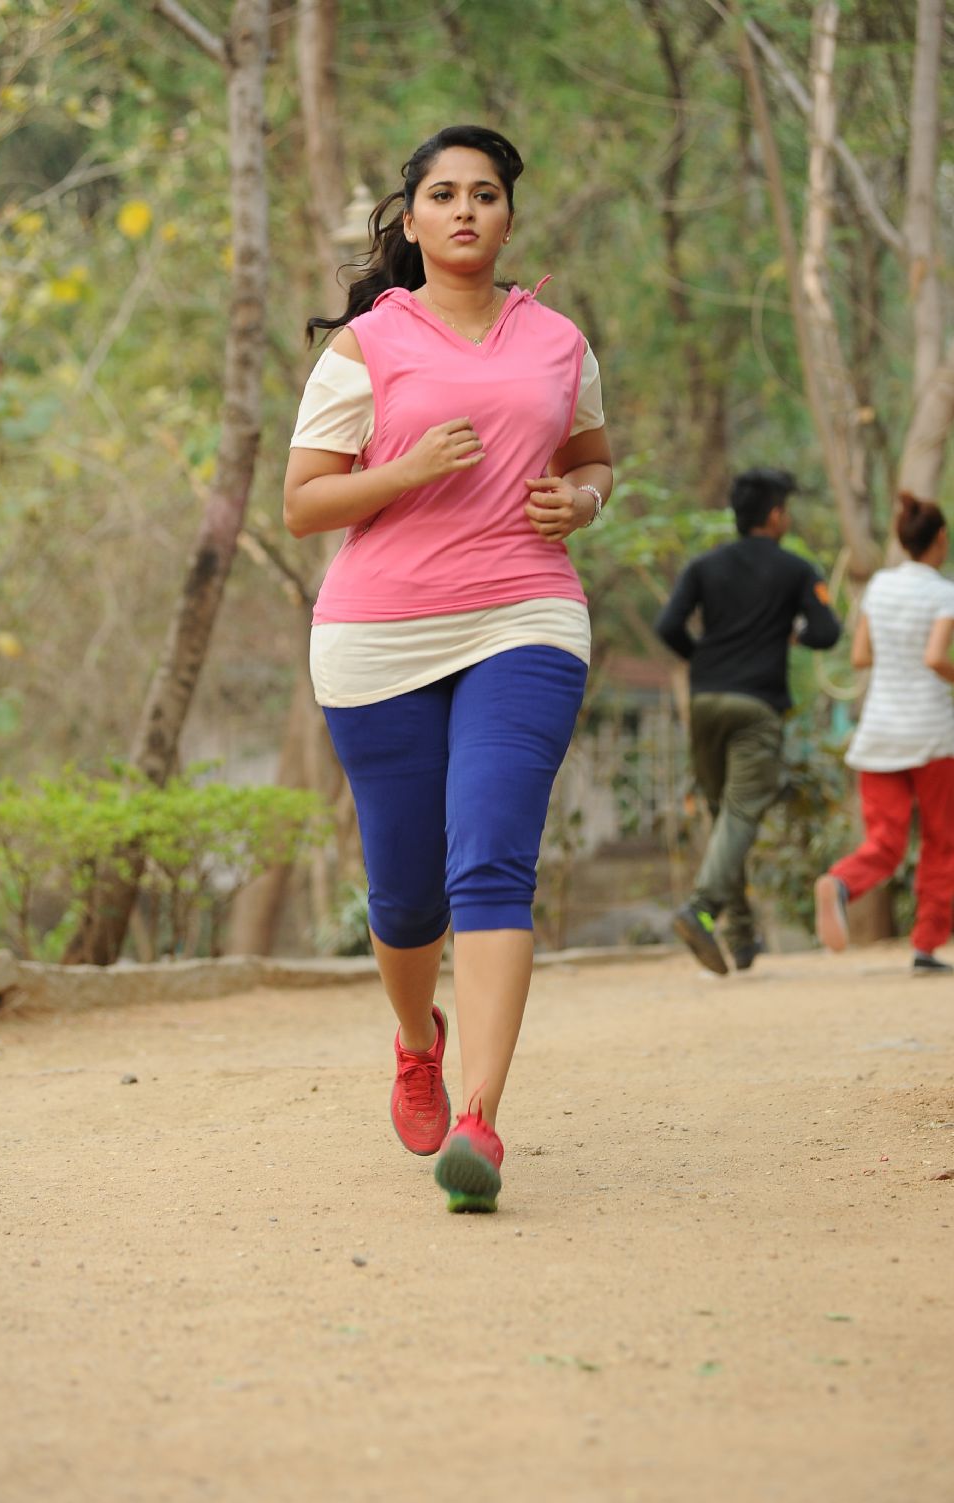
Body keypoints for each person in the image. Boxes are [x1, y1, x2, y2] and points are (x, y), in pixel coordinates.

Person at [282, 125, 612, 1212]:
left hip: (526, 616)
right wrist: (409, 468)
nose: (465, 209)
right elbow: (303, 503)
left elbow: (593, 459)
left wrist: (584, 502)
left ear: (509, 216)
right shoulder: (366, 347)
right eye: (443, 194)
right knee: (407, 892)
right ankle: (416, 1040)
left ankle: (480, 1118)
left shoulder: (558, 341)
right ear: (413, 218)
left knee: (491, 864)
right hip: (379, 634)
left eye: (485, 193)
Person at [654, 466, 841, 975]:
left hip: (706, 702)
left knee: (723, 815)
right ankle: (700, 910)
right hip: (756, 707)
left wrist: (702, 660)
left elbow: (668, 625)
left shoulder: (704, 566)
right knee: (740, 814)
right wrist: (795, 633)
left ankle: (739, 937)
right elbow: (828, 631)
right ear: (776, 515)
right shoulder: (797, 570)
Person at [814, 493, 954, 976]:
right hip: (932, 735)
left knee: (886, 842)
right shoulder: (944, 593)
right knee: (941, 842)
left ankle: (840, 883)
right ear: (940, 539)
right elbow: (934, 658)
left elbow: (860, 657)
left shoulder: (879, 586)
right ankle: (926, 946)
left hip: (879, 734)